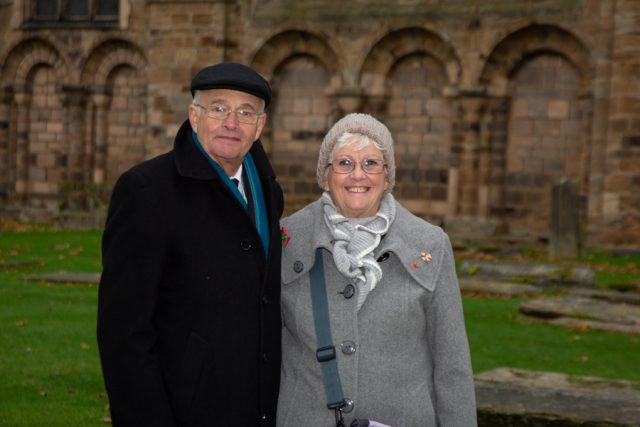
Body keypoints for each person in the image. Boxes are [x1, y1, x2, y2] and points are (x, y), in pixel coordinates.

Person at [97, 62, 284, 426]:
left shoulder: (268, 193)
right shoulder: (147, 191)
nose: (231, 123)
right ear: (194, 117)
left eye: (246, 113)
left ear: (260, 126)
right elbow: (123, 333)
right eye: (218, 108)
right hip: (183, 411)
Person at [276, 113, 477, 426]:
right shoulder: (288, 239)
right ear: (325, 177)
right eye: (344, 163)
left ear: (387, 177)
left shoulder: (430, 244)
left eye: (371, 163)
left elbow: (452, 366)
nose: (358, 175)